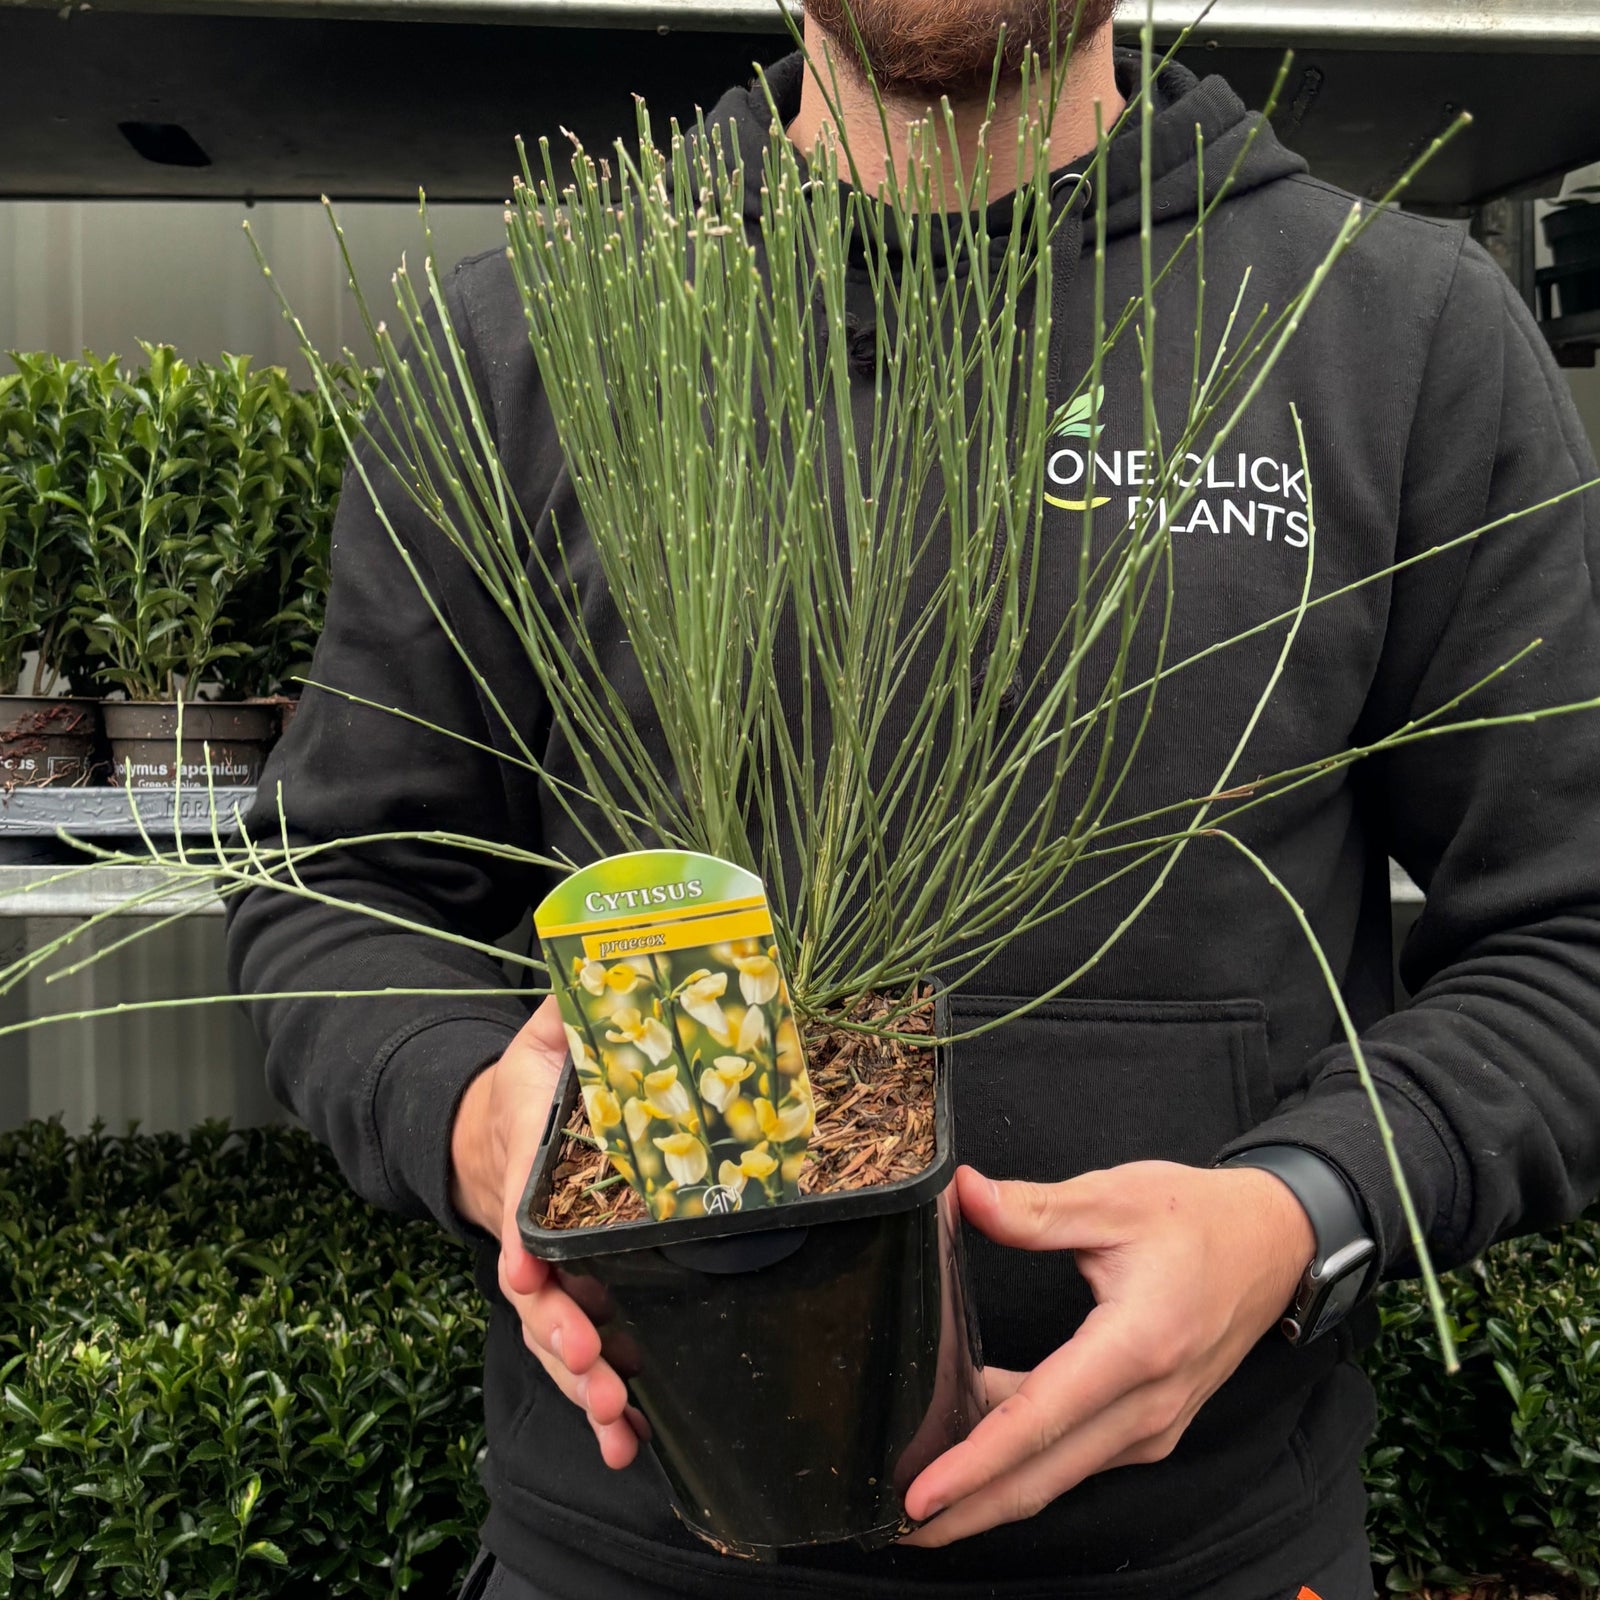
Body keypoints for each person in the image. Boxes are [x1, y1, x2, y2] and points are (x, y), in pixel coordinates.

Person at [225, 0, 1600, 1594]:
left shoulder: (1395, 328)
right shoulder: (529, 330)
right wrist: (477, 1123)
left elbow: (1570, 937)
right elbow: (340, 884)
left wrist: (1303, 1212)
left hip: (1206, 1547)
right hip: (629, 1544)